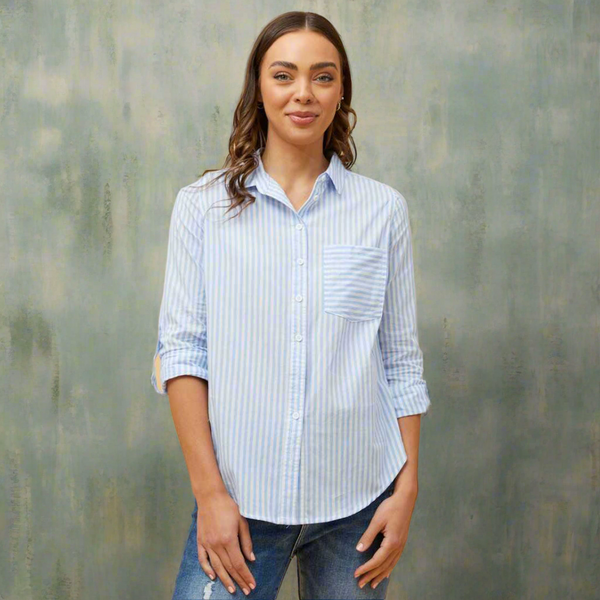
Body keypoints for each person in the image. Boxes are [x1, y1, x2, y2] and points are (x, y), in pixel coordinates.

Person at [151, 10, 431, 600]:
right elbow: (181, 355)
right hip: (240, 503)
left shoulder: (382, 212)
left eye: (322, 77)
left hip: (359, 504)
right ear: (259, 87)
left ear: (341, 92)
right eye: (284, 75)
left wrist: (405, 491)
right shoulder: (202, 208)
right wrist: (209, 494)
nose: (303, 92)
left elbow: (400, 363)